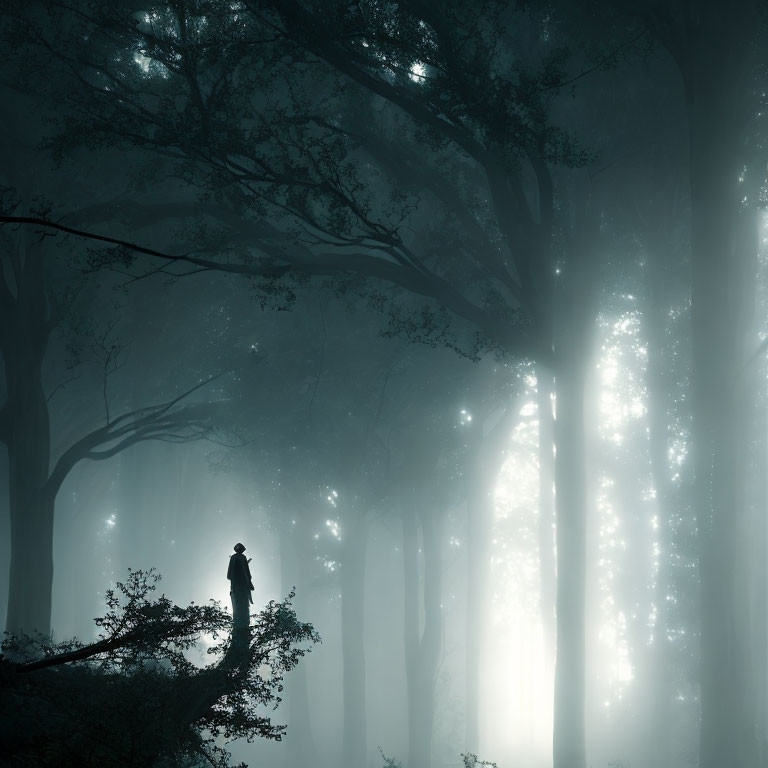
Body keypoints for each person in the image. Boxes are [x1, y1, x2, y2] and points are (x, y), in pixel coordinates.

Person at [227, 542, 254, 629]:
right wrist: (249, 583)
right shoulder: (240, 557)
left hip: (238, 585)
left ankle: (241, 623)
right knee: (242, 606)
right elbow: (246, 572)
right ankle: (242, 624)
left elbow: (229, 575)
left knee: (240, 606)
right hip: (241, 585)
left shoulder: (235, 558)